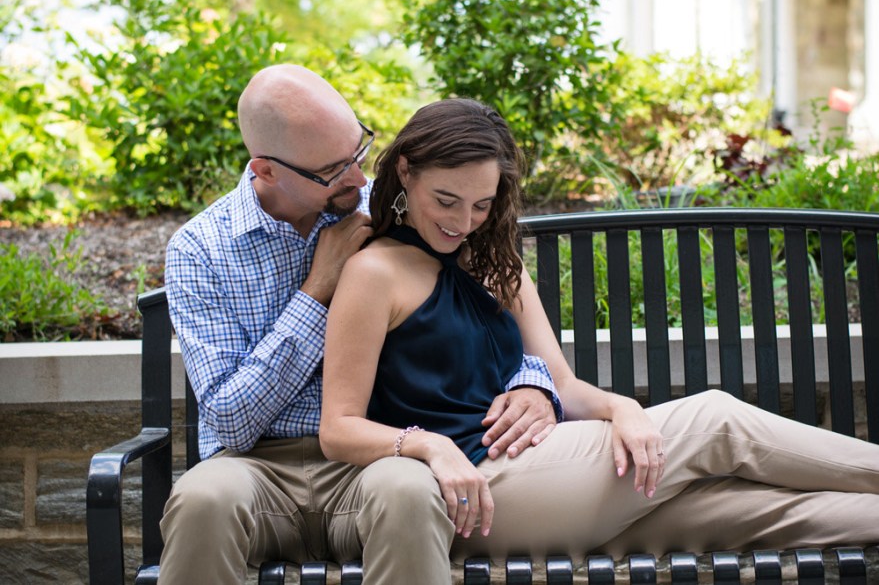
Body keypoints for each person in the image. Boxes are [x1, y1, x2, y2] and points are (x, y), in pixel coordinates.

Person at [319, 97, 879, 565]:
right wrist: (431, 445)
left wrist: (621, 408)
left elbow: (563, 386)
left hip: (552, 478)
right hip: (474, 486)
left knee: (745, 510)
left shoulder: (492, 263)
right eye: (446, 200)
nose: (462, 222)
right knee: (715, 420)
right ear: (405, 171)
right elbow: (338, 429)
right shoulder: (375, 272)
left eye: (481, 205)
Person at [159, 64, 578, 584]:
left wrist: (533, 382)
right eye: (334, 170)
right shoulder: (200, 250)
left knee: (409, 492)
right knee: (201, 499)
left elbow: (476, 303)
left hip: (372, 462)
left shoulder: (388, 208)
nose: (359, 179)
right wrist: (317, 292)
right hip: (251, 470)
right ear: (266, 171)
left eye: (357, 152)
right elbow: (231, 421)